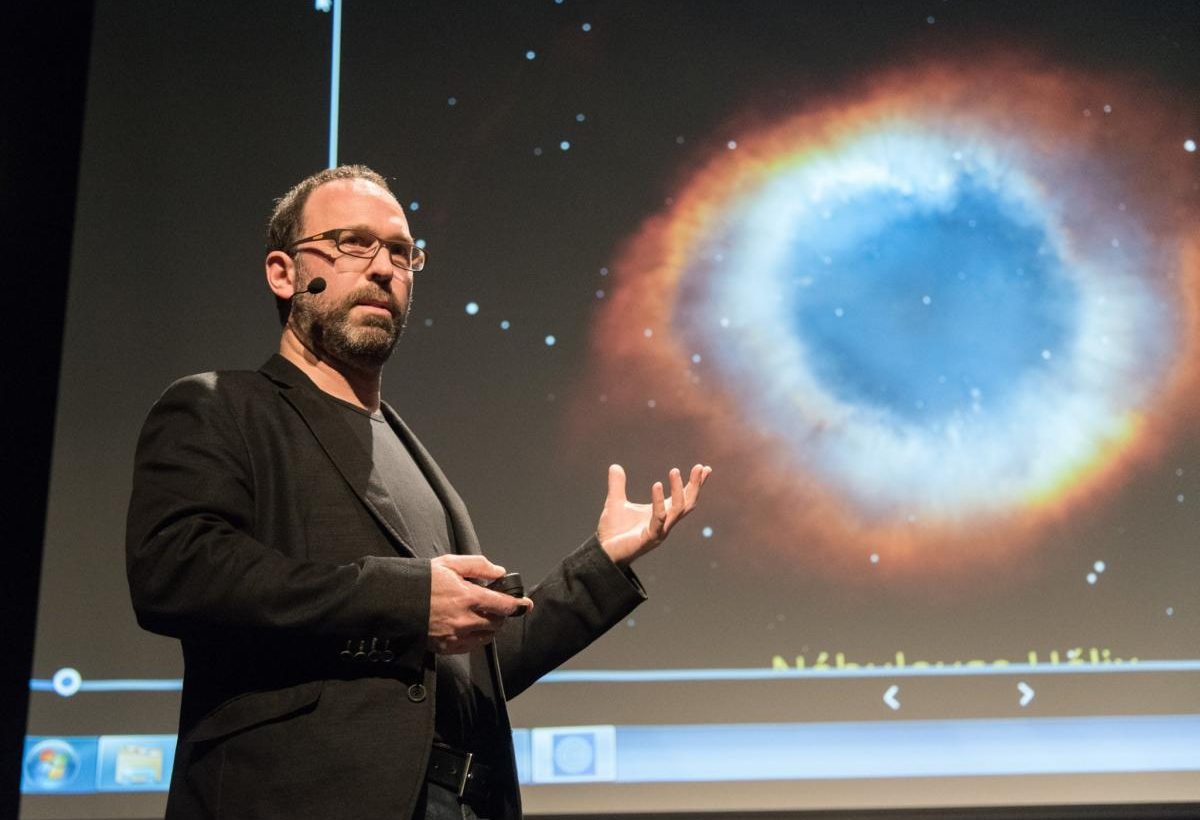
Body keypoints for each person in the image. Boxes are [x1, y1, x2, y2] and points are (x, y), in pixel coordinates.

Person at [125, 164, 711, 820]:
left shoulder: (416, 460)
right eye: (353, 244)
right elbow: (176, 573)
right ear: (284, 273)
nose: (383, 268)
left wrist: (599, 565)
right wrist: (406, 598)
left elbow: (469, 674)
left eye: (402, 253)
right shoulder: (219, 407)